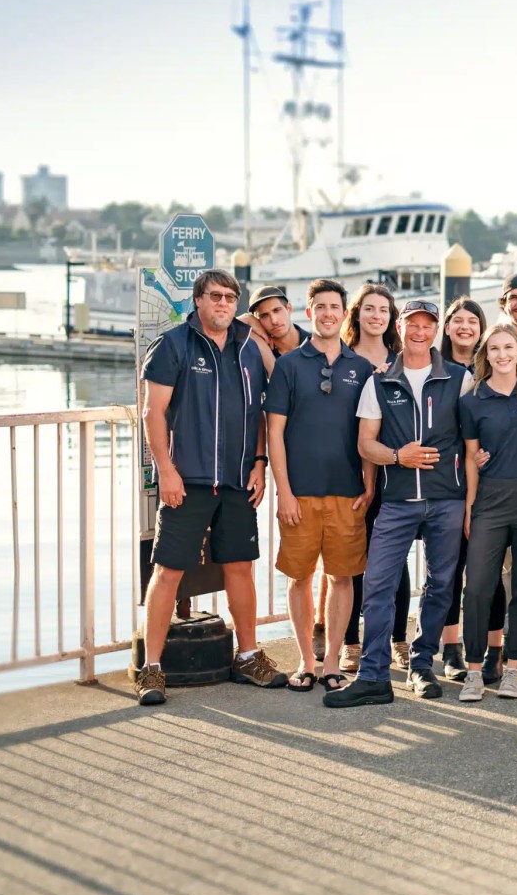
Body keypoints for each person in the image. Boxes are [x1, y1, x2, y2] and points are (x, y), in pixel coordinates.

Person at [135, 269, 283, 705]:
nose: (223, 303)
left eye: (230, 297)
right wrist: (166, 469)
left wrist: (259, 463)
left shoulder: (249, 348)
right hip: (189, 480)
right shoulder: (173, 346)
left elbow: (258, 411)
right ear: (198, 301)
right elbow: (152, 412)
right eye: (215, 296)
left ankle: (248, 655)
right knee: (168, 570)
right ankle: (152, 668)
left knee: (240, 567)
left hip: (239, 481)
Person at [325, 298, 469, 707]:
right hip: (399, 500)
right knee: (377, 584)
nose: (420, 332)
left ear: (436, 329)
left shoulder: (459, 379)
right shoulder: (380, 381)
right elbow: (365, 442)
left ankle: (421, 665)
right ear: (400, 328)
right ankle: (373, 675)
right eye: (413, 325)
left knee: (441, 585)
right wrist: (396, 457)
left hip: (447, 498)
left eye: (427, 325)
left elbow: (476, 435)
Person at [264, 279, 374, 692]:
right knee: (299, 578)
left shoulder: (361, 369)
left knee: (343, 577)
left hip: (349, 493)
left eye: (335, 307)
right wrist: (284, 492)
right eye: (320, 306)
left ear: (344, 314)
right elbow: (275, 433)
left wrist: (369, 482)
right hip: (301, 494)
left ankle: (332, 662)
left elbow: (369, 431)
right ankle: (306, 661)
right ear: (308, 313)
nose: (328, 313)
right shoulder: (290, 366)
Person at [457, 323, 517, 702]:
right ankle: (474, 671)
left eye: (509, 347)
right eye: (494, 348)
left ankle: (513, 670)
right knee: (477, 587)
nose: (502, 354)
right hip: (489, 502)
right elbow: (470, 458)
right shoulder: (472, 400)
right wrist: (469, 507)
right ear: (485, 355)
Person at [335, 283, 411, 674]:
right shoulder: (342, 358)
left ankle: (399, 639)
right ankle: (350, 641)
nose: (376, 315)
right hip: (346, 470)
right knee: (351, 559)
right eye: (369, 308)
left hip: (389, 473)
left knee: (394, 561)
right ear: (357, 314)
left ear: (391, 318)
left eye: (383, 309)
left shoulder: (401, 361)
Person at [437, 295, 504, 681]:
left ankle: (494, 649)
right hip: (446, 484)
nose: (465, 327)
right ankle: (450, 648)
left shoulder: (490, 370)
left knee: (488, 573)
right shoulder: (432, 367)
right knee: (448, 569)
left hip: (489, 485)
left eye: (473, 321)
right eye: (458, 320)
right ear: (447, 327)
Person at [243, 284, 311, 359]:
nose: (274, 321)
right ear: (257, 321)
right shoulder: (257, 354)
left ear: (289, 308)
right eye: (264, 316)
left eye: (276, 310)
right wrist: (247, 319)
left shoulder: (315, 344)